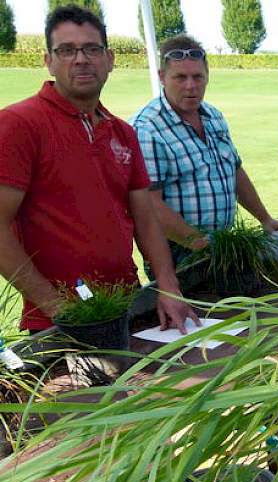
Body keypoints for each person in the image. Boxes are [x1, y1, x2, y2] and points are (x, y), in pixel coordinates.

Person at [0, 6, 198, 334]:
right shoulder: (20, 124)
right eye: (66, 50)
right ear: (48, 61)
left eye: (91, 49)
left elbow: (146, 219)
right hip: (62, 325)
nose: (80, 59)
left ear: (109, 59)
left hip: (130, 308)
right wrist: (58, 308)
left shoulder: (122, 132)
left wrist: (167, 286)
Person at [130, 35, 278, 268]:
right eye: (180, 77)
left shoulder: (213, 116)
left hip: (219, 246)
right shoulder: (147, 129)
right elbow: (148, 205)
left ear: (207, 77)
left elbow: (234, 171)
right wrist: (200, 244)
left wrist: (264, 218)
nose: (191, 86)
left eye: (197, 77)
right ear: (162, 77)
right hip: (178, 254)